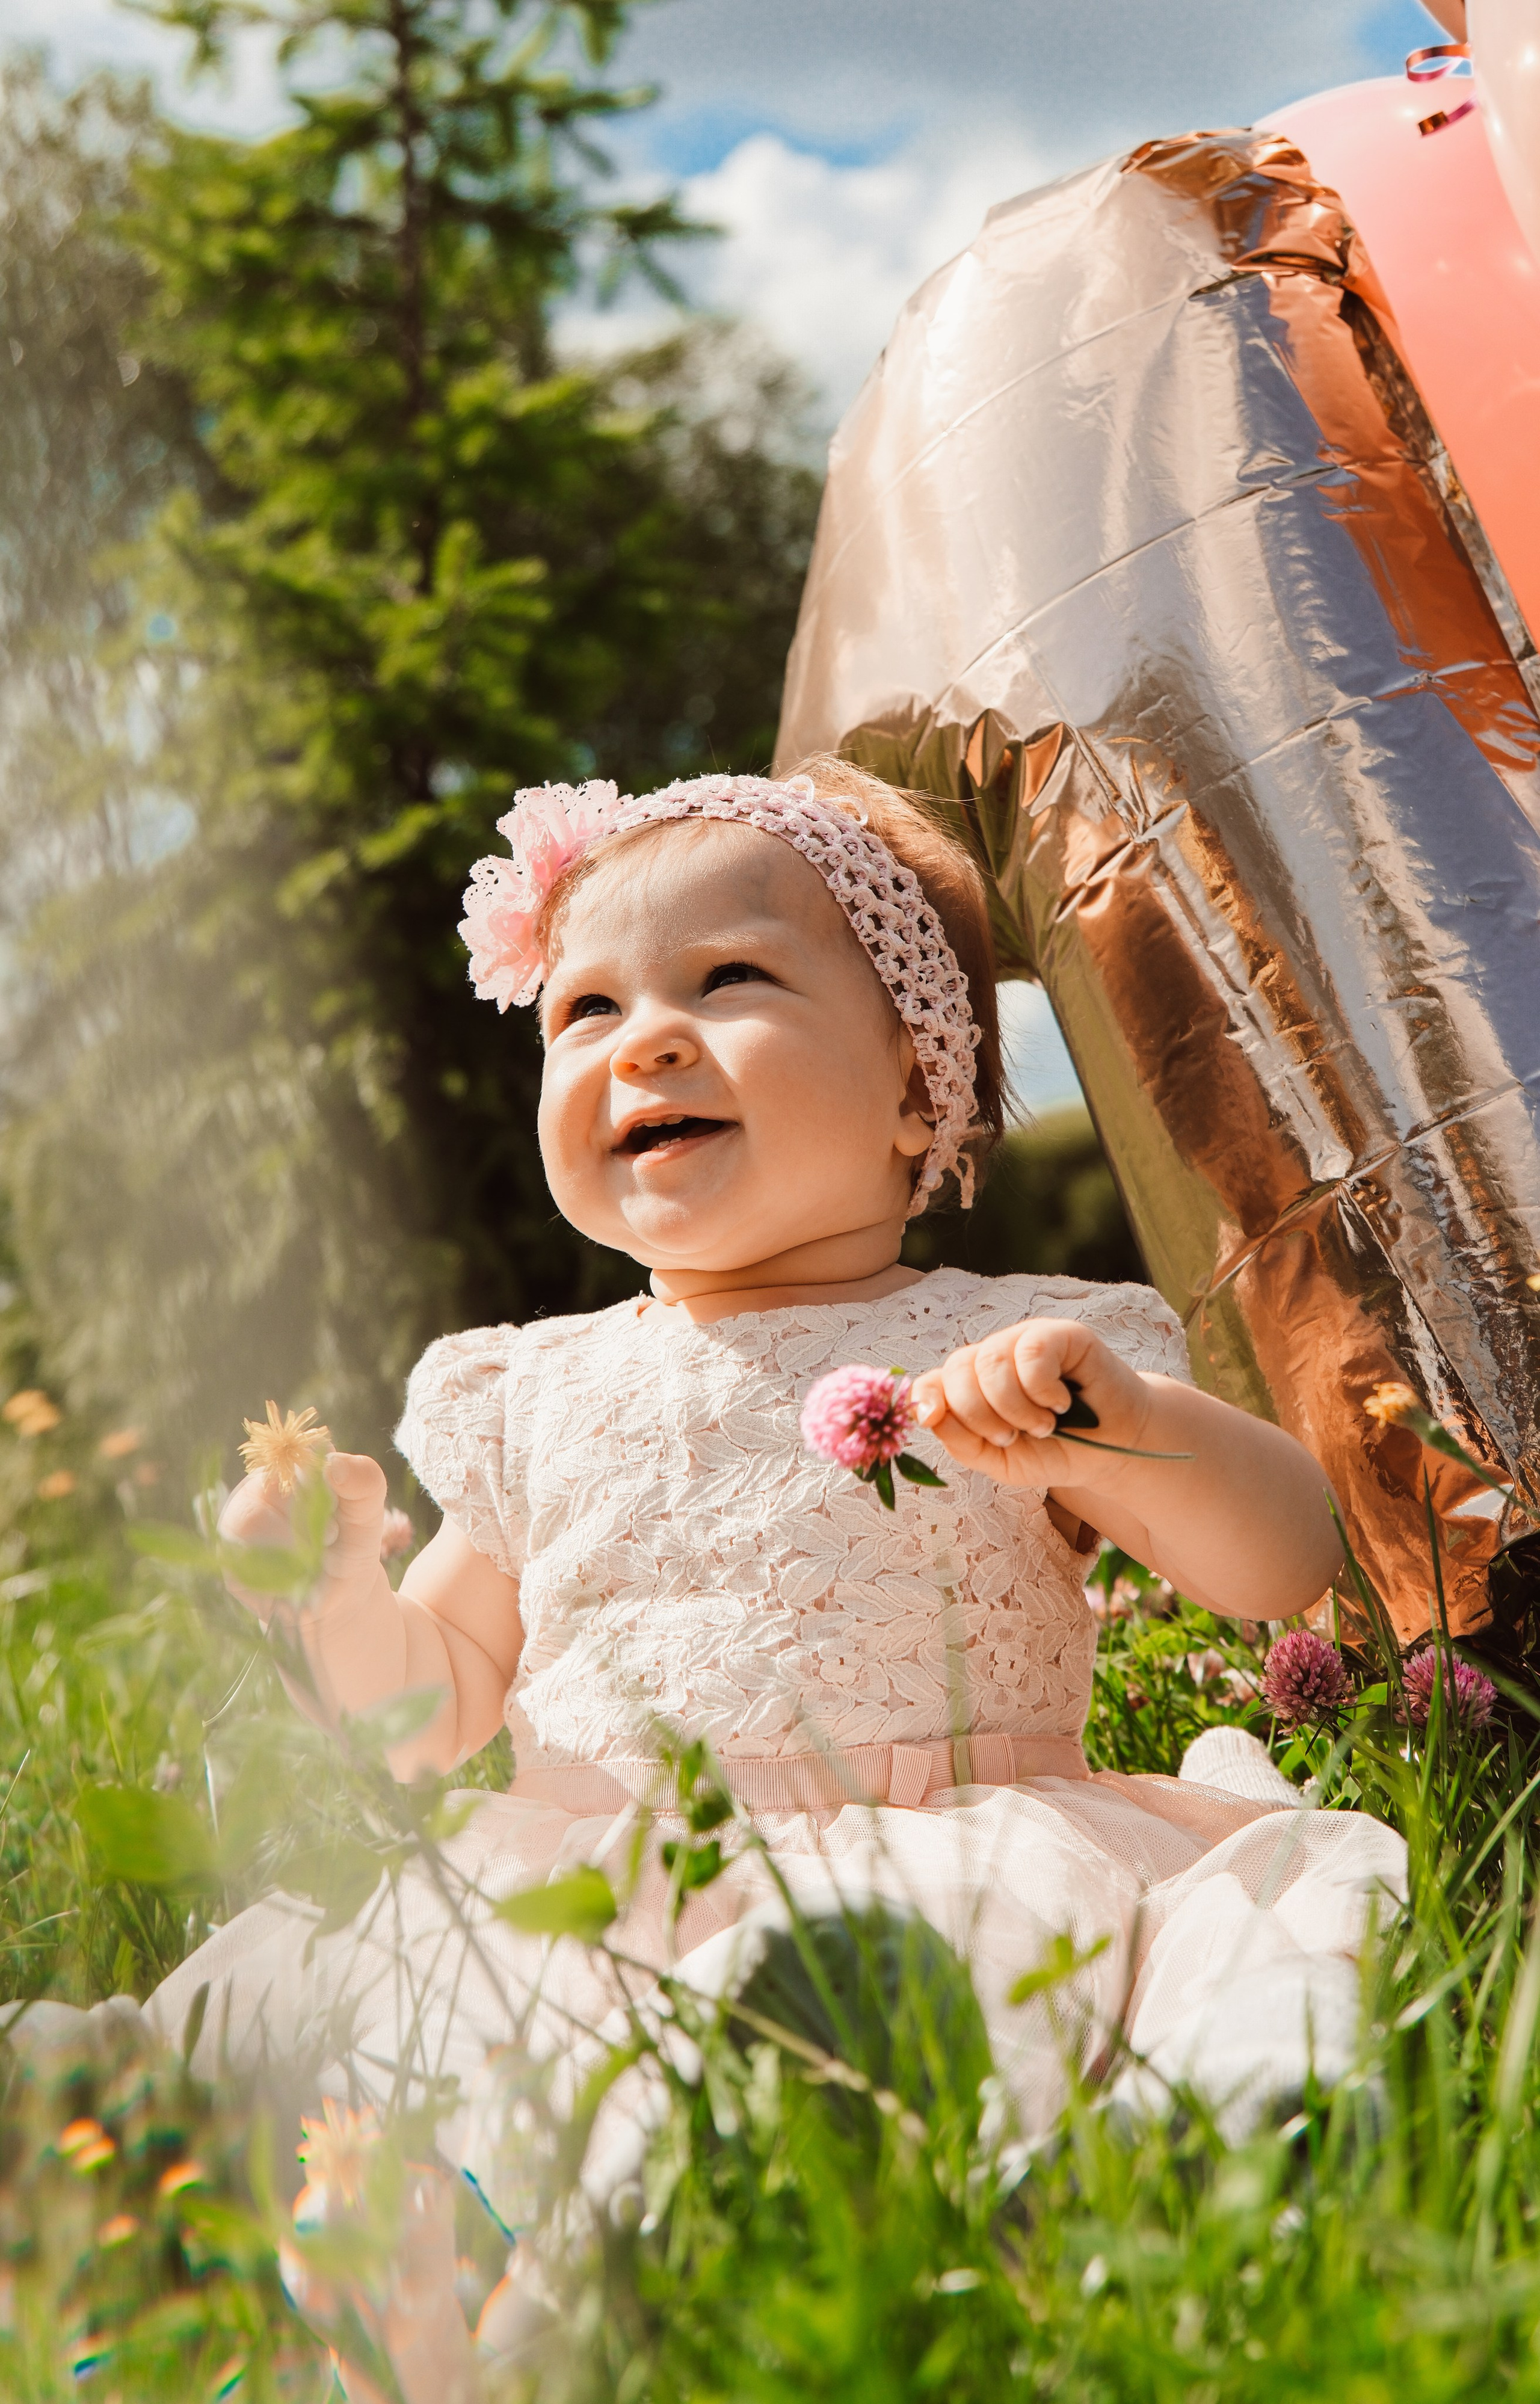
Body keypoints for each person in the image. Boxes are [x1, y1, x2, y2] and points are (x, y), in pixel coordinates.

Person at [147, 760, 1404, 2169]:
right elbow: (433, 1710)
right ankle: (608, 2169)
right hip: (602, 1877)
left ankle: (847, 2113)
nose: (645, 1044)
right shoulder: (530, 1391)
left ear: (919, 1094)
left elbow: (1280, 1561)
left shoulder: (1004, 1345)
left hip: (934, 1853)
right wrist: (329, 1600)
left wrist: (1131, 1433)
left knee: (986, 1972)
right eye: (587, 1009)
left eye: (726, 979)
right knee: (362, 2031)